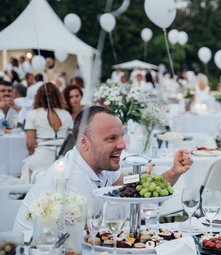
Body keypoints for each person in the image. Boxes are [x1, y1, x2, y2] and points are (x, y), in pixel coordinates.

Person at [14, 106, 193, 231]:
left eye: (121, 137)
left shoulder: (100, 163)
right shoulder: (72, 178)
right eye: (111, 138)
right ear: (84, 142)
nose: (122, 145)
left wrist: (173, 172)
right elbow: (91, 237)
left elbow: (136, 187)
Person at [20, 82, 73, 183]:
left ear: (39, 97)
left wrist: (31, 155)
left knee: (26, 164)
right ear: (58, 96)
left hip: (42, 158)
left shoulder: (33, 114)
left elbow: (30, 144)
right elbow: (71, 139)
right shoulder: (66, 114)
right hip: (64, 159)